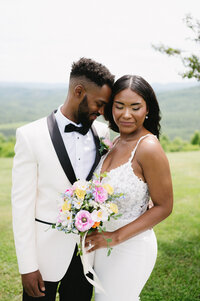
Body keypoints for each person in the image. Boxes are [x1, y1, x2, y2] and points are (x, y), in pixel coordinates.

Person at [11, 57, 114, 301]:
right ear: (79, 91)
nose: (101, 112)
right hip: (44, 258)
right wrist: (27, 266)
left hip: (86, 255)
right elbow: (22, 207)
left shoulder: (102, 134)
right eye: (99, 104)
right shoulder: (29, 136)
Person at [85, 75, 173, 301]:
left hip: (130, 246)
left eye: (135, 107)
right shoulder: (115, 143)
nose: (126, 114)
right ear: (110, 108)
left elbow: (164, 206)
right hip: (102, 247)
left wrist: (114, 237)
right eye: (119, 106)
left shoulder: (148, 147)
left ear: (147, 110)